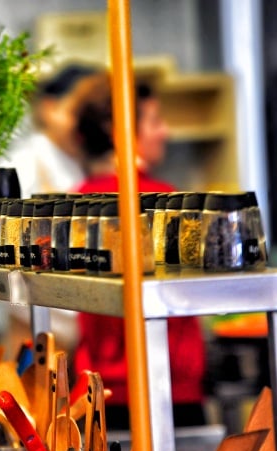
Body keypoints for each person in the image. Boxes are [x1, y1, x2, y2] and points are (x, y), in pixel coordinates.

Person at [72, 77, 206, 429]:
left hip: (97, 395)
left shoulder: (75, 202)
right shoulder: (162, 200)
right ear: (118, 129)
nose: (165, 131)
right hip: (170, 393)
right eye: (154, 120)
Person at [8, 64, 102, 198]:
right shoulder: (23, 166)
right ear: (50, 108)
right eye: (79, 112)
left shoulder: (90, 159)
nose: (88, 123)